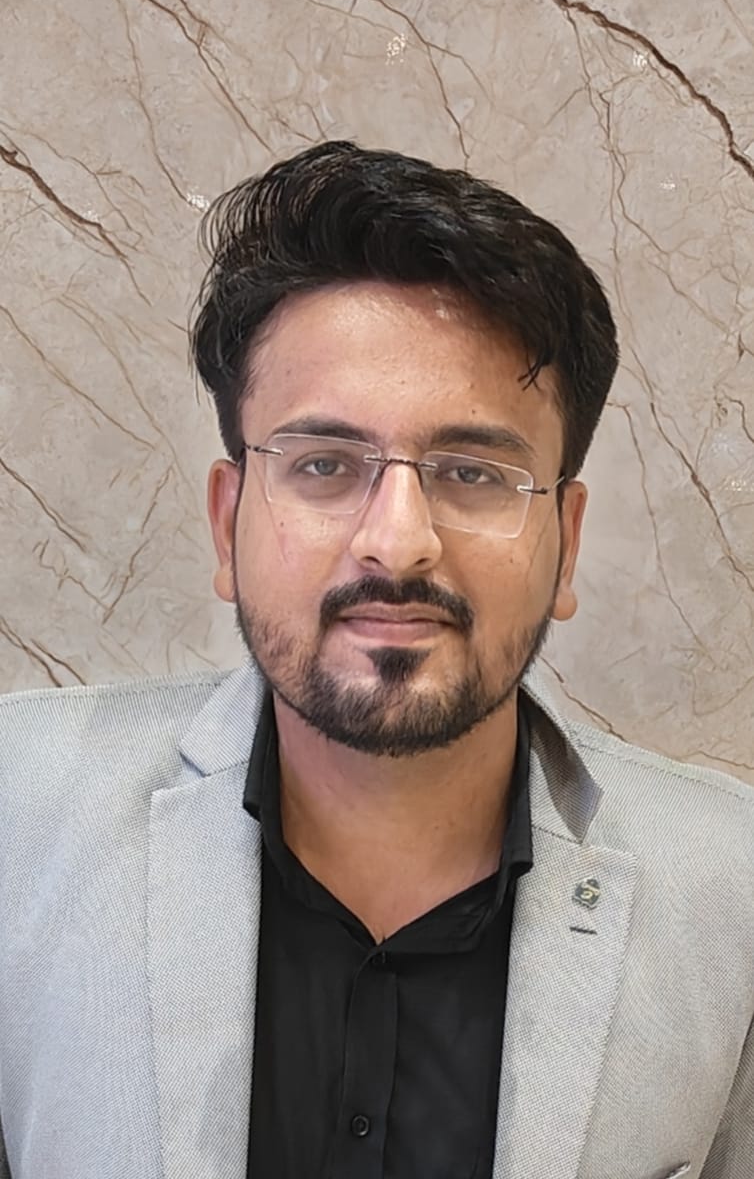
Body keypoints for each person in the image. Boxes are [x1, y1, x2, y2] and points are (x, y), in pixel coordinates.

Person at [0, 141, 752, 1179]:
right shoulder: (20, 817)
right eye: (323, 464)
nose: (397, 544)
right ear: (227, 522)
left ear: (566, 542)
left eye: (472, 473)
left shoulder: (731, 892)